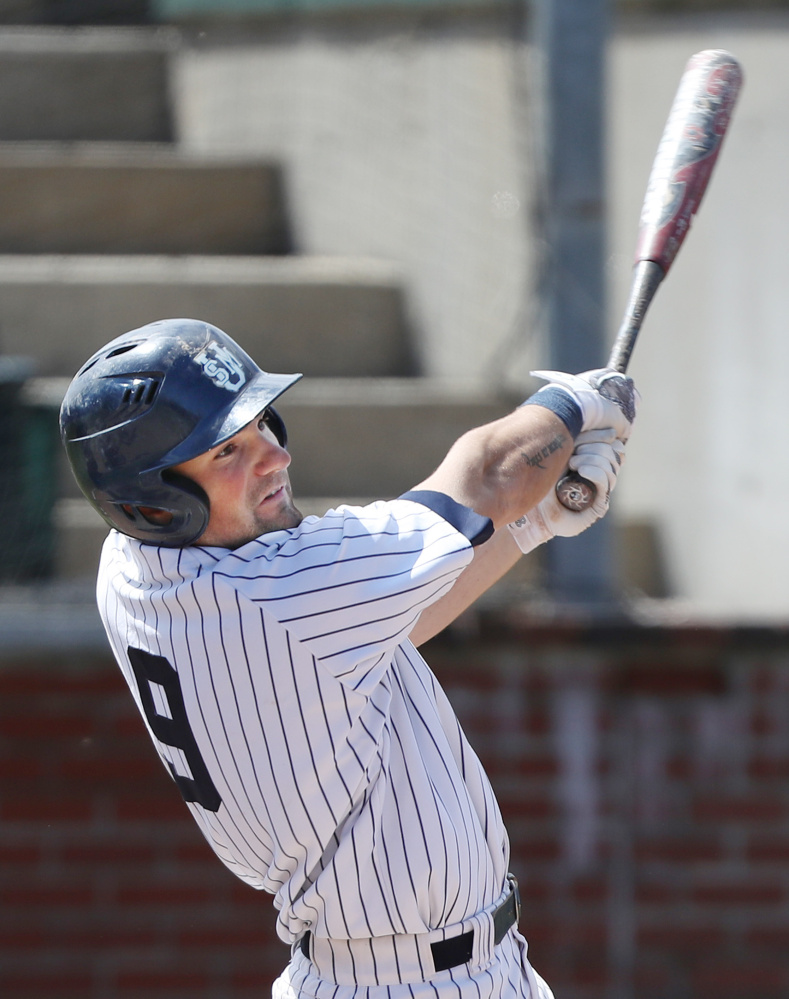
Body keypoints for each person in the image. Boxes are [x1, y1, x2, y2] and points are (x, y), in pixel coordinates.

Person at [59, 317, 637, 999]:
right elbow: (489, 472)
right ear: (153, 503)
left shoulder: (131, 566)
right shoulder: (275, 589)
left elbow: (390, 625)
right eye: (225, 452)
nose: (273, 456)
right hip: (407, 980)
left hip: (426, 965)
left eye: (262, 425)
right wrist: (573, 405)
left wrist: (535, 518)